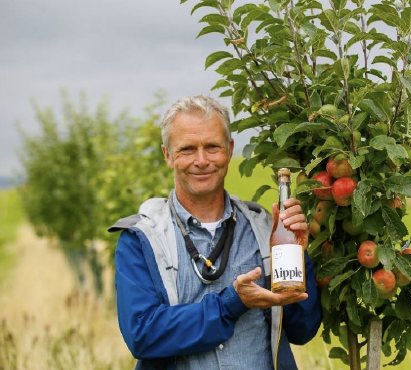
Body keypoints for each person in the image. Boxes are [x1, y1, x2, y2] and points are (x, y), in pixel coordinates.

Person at [109, 95, 321, 370]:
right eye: (187, 149)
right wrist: (231, 304)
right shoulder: (142, 239)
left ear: (230, 149)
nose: (201, 160)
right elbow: (142, 335)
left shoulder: (265, 229)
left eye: (212, 147)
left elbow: (302, 330)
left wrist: (297, 257)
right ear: (167, 155)